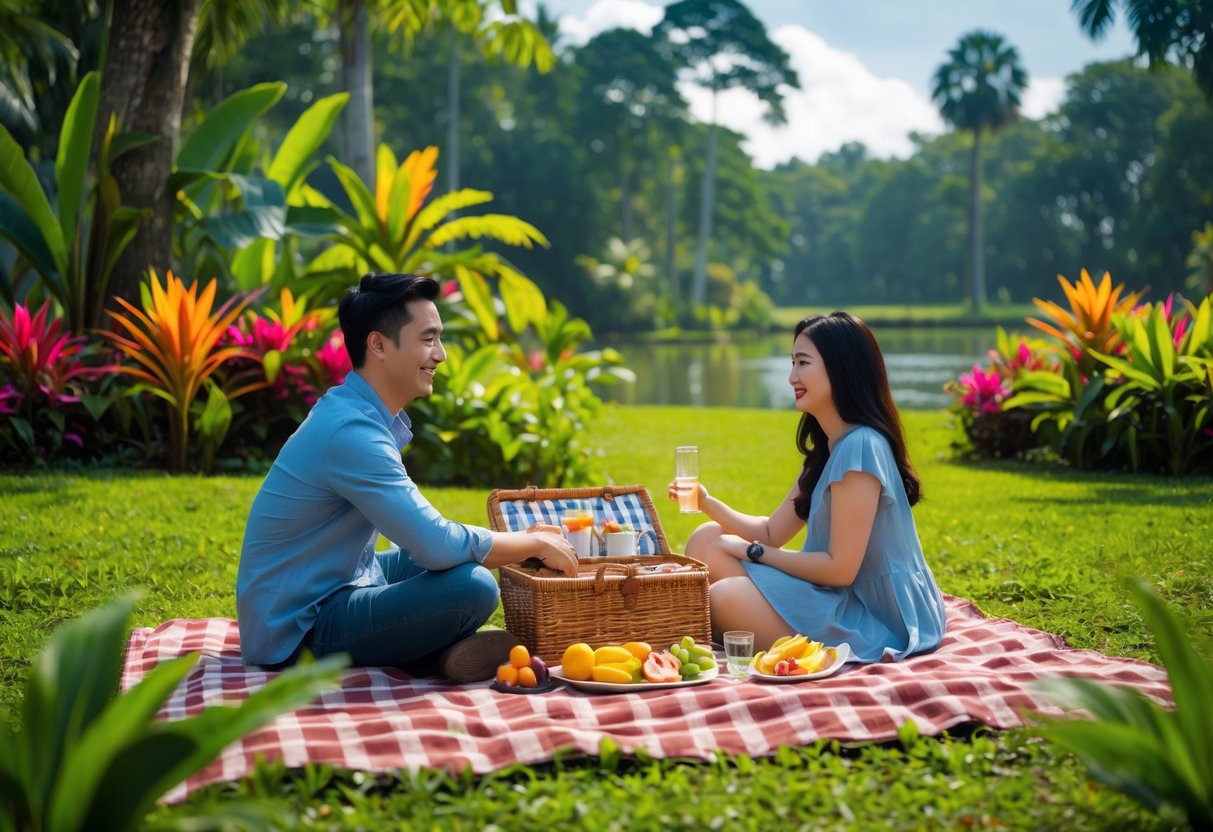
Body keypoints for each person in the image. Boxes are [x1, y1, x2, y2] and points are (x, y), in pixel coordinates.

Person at [236, 272, 578, 680]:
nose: (441, 355)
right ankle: (434, 653)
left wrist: (519, 545)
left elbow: (426, 542)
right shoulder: (351, 432)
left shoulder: (355, 414)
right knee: (472, 587)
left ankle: (434, 652)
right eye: (429, 339)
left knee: (453, 565)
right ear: (378, 344)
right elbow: (435, 543)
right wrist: (531, 543)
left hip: (343, 580)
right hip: (298, 629)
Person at [669, 312, 946, 662]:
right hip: (836, 596)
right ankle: (710, 623)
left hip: (878, 619)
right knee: (705, 538)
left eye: (803, 363)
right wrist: (705, 501)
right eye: (792, 363)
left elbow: (839, 569)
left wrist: (751, 552)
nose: (792, 377)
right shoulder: (829, 449)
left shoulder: (861, 447)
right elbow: (771, 531)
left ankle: (710, 622)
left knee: (722, 597)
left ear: (840, 369)